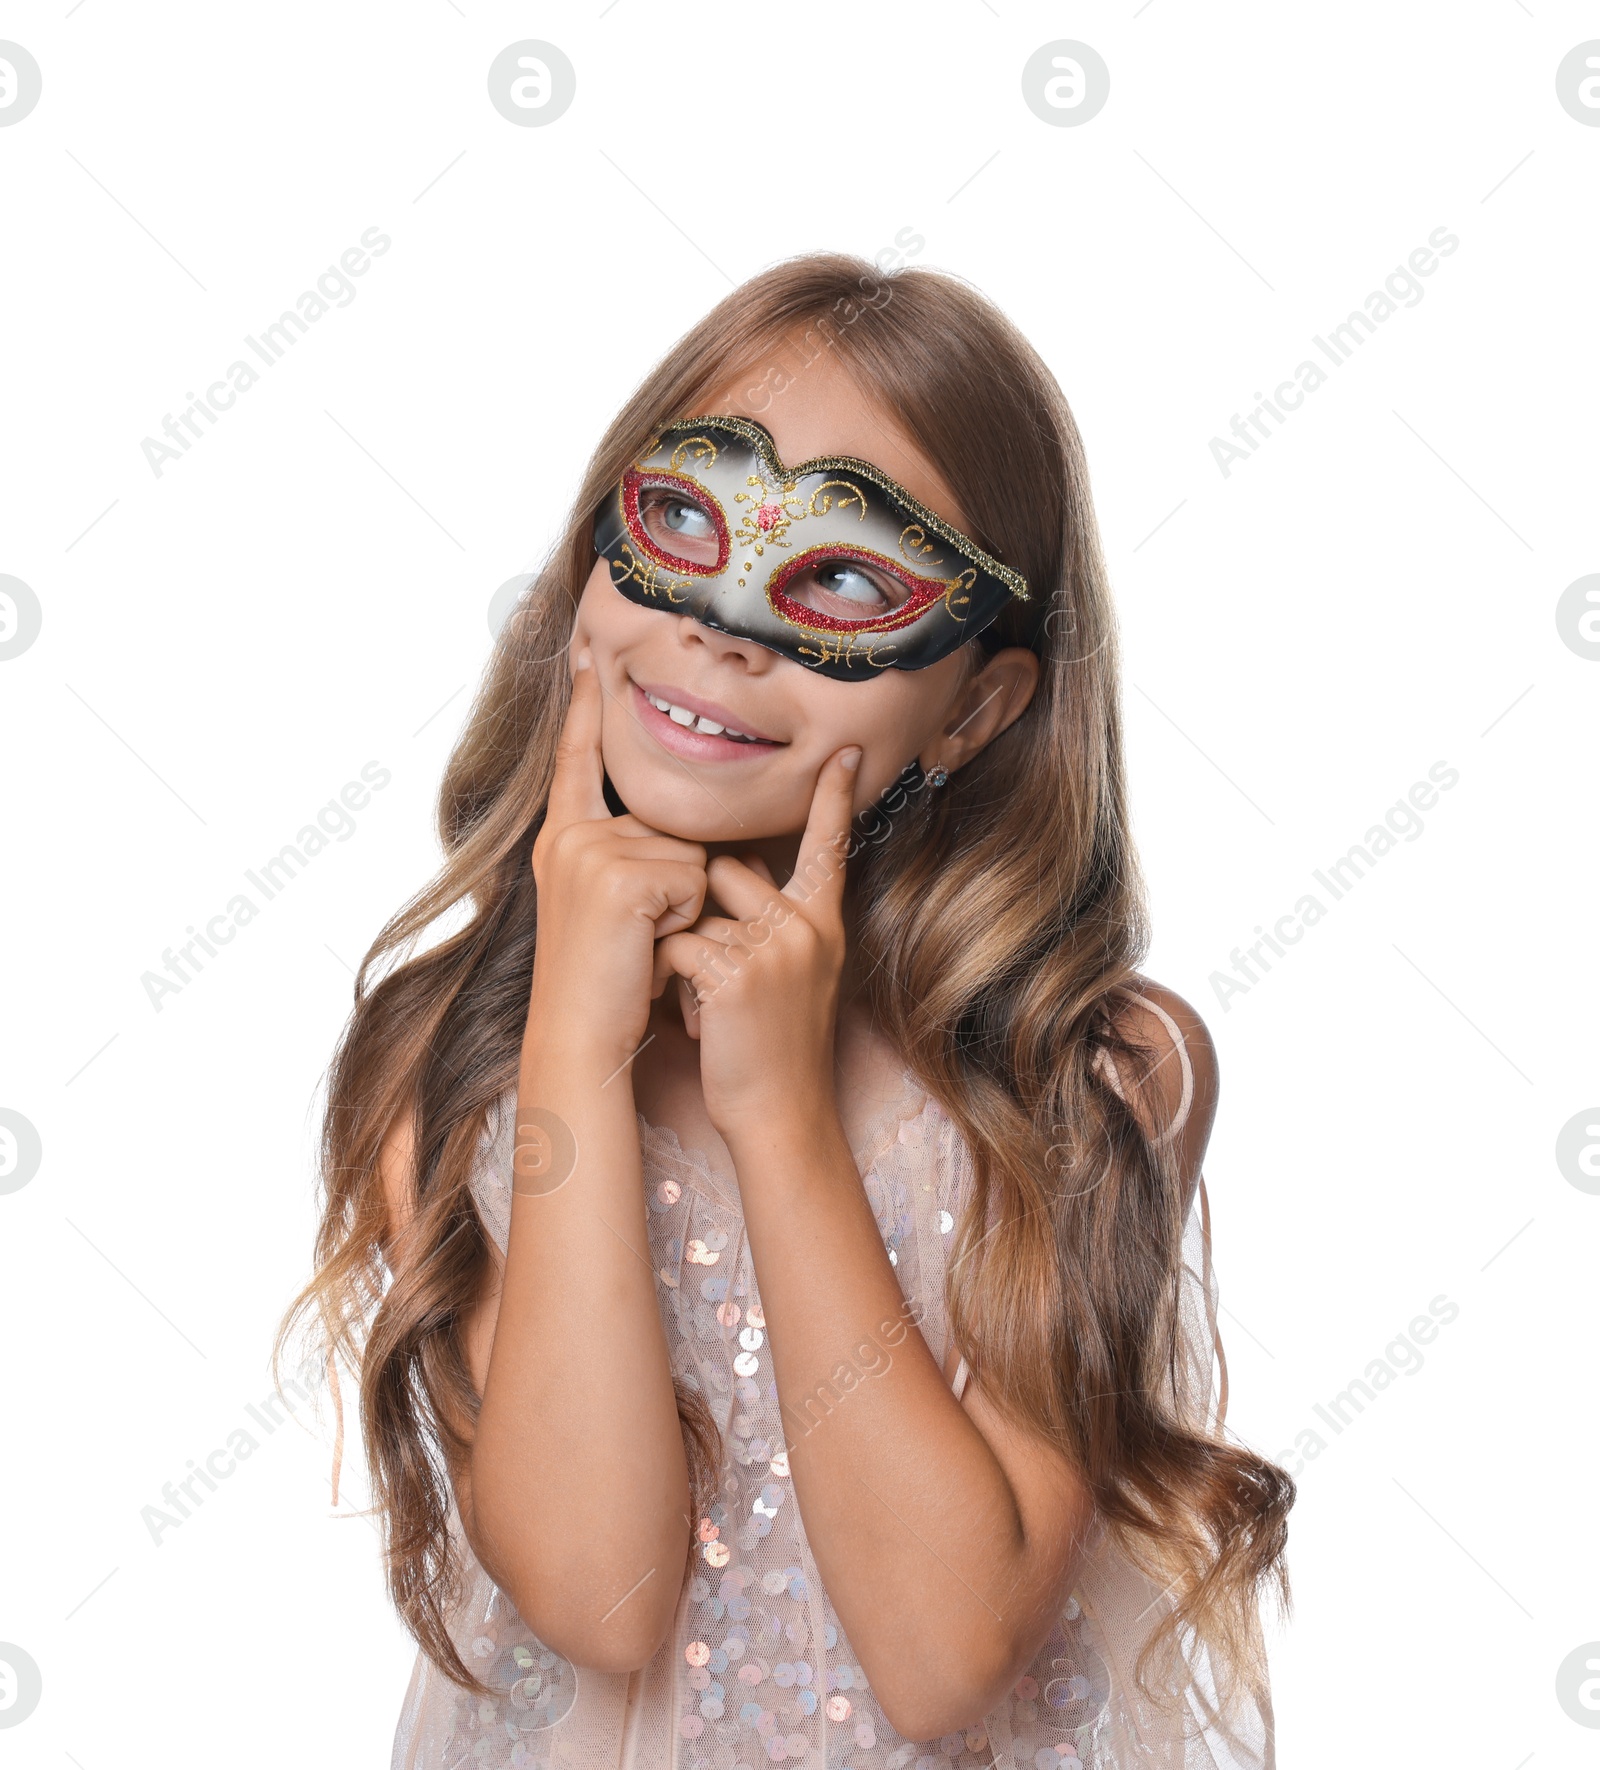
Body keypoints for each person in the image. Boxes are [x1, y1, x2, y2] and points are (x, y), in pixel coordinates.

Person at [277, 250, 1295, 1770]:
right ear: (588, 579)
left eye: (838, 574)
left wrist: (778, 1112)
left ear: (975, 705)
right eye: (679, 519)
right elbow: (597, 1599)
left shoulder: (1091, 1070)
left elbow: (945, 1652)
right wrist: (574, 1035)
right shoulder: (459, 1063)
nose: (725, 626)